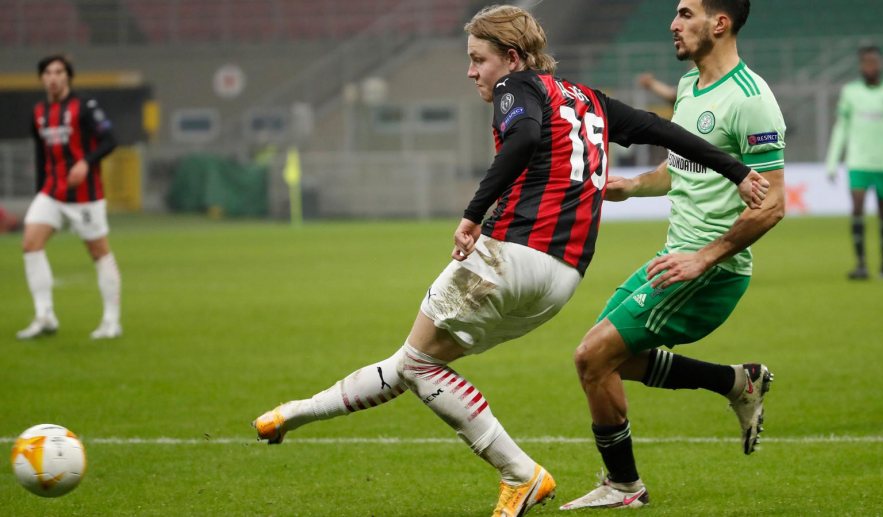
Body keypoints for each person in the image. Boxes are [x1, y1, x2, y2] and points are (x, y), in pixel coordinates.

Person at [252, 5, 767, 515]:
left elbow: (523, 137)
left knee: (419, 365)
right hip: (560, 280)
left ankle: (520, 474)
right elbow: (664, 131)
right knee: (416, 363)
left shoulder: (515, 86)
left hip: (510, 257)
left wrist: (473, 213)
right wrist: (737, 171)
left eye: (479, 59)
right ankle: (292, 415)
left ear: (513, 57)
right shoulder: (589, 99)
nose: (471, 71)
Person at [561, 0, 786, 510]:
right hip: (675, 257)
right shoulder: (689, 86)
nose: (673, 24)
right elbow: (680, 169)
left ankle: (624, 486)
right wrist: (633, 185)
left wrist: (705, 258)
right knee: (608, 360)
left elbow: (772, 204)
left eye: (685, 14)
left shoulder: (752, 101)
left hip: (711, 271)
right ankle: (737, 381)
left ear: (719, 23)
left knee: (592, 357)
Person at [17, 55, 121, 340]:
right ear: (42, 78)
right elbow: (41, 154)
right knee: (30, 244)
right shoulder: (39, 112)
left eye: (59, 72)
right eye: (48, 73)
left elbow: (110, 140)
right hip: (52, 192)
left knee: (99, 253)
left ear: (68, 77)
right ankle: (45, 316)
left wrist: (86, 162)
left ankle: (111, 322)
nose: (53, 77)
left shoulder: (85, 107)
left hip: (85, 196)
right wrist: (39, 191)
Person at [826, 46, 883, 280]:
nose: (870, 66)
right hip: (858, 161)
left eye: (873, 62)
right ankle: (861, 265)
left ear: (880, 64)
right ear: (860, 65)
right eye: (866, 62)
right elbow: (841, 127)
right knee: (857, 207)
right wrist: (832, 161)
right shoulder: (850, 92)